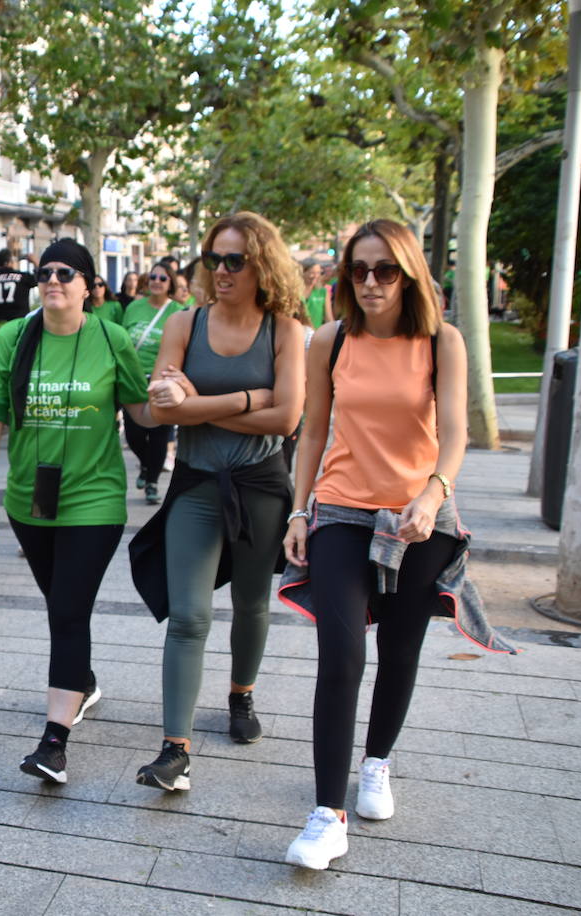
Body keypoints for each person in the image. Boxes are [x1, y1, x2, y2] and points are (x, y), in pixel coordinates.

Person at [278, 220, 515, 870]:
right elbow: (311, 433)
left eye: (386, 270)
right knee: (341, 654)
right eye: (360, 269)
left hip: (420, 517)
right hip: (344, 513)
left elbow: (457, 434)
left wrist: (434, 494)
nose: (372, 282)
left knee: (400, 648)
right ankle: (328, 815)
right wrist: (300, 512)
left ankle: (376, 761)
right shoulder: (331, 340)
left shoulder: (442, 342)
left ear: (409, 274)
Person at [129, 211, 305, 793]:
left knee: (253, 604)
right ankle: (174, 749)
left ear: (262, 265)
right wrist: (249, 396)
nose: (222, 271)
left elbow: (288, 416)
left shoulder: (283, 329)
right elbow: (159, 409)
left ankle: (241, 696)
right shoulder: (186, 323)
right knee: (189, 616)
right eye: (214, 259)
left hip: (260, 484)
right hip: (198, 485)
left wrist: (201, 399)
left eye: (236, 260)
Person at [0, 239, 152, 785]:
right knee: (63, 605)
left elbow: (141, 408)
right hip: (31, 500)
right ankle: (82, 679)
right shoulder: (13, 336)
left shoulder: (111, 337)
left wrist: (176, 395)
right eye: (44, 271)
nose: (53, 280)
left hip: (94, 500)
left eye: (66, 273)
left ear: (89, 287)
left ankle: (54, 742)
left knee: (68, 612)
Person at [120, 263, 185, 504]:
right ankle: (147, 466)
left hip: (163, 381)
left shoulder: (179, 312)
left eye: (163, 278)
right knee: (133, 434)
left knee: (159, 434)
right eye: (153, 276)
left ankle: (152, 483)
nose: (157, 281)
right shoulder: (134, 308)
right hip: (133, 379)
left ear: (171, 283)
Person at [0, 249, 37, 323]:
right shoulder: (23, 277)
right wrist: (35, 262)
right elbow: (41, 278)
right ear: (8, 263)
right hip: (19, 323)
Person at [302, 260, 335, 328]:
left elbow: (328, 317)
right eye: (312, 273)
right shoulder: (295, 292)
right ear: (303, 272)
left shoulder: (323, 292)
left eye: (318, 273)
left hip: (315, 334)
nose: (315, 276)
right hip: (298, 334)